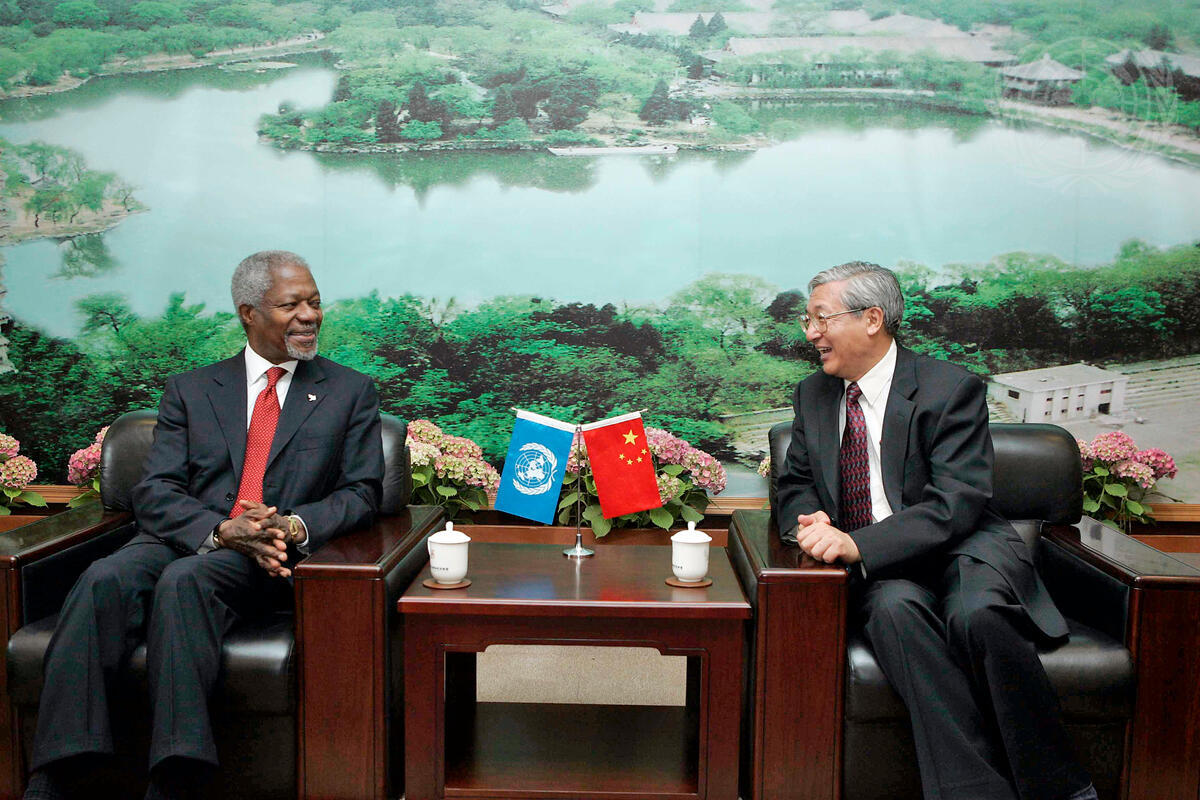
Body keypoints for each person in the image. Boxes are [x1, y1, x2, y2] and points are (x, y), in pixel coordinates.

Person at [24, 251, 385, 800]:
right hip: (189, 536)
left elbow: (361, 492)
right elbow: (155, 489)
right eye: (291, 305)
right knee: (103, 578)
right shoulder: (191, 390)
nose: (309, 315)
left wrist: (290, 525)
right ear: (248, 312)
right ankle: (60, 769)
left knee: (185, 581)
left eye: (314, 302)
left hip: (270, 555)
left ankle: (178, 776)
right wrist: (219, 531)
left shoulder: (349, 391)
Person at [775, 261, 1096, 800]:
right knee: (895, 613)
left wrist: (857, 542)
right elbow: (796, 483)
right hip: (884, 572)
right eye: (808, 320)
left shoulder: (950, 388)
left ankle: (1061, 789)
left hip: (962, 548)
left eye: (821, 318)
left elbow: (957, 501)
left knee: (978, 615)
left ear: (872, 319)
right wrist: (814, 520)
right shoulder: (813, 395)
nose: (811, 334)